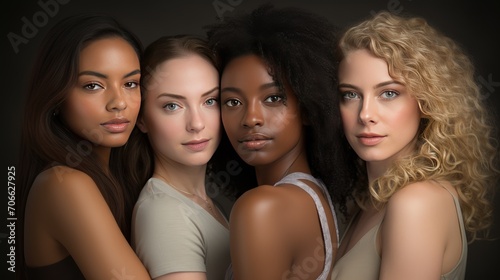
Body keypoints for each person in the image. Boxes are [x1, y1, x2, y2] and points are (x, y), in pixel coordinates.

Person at [332, 11, 499, 280]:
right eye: (350, 95)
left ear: (426, 102)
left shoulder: (416, 202)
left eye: (389, 93)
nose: (365, 114)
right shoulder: (369, 201)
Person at [206, 4, 353, 279]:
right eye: (233, 101)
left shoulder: (263, 207)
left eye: (273, 98)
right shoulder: (314, 197)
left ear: (309, 108)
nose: (251, 118)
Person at [17, 14, 151, 279]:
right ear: (56, 95)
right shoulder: (63, 184)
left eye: (130, 83)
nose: (119, 102)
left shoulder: (122, 177)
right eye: (93, 85)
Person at [124, 35, 231, 280]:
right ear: (141, 118)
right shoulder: (164, 212)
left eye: (210, 101)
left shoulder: (197, 201)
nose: (196, 123)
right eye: (172, 105)